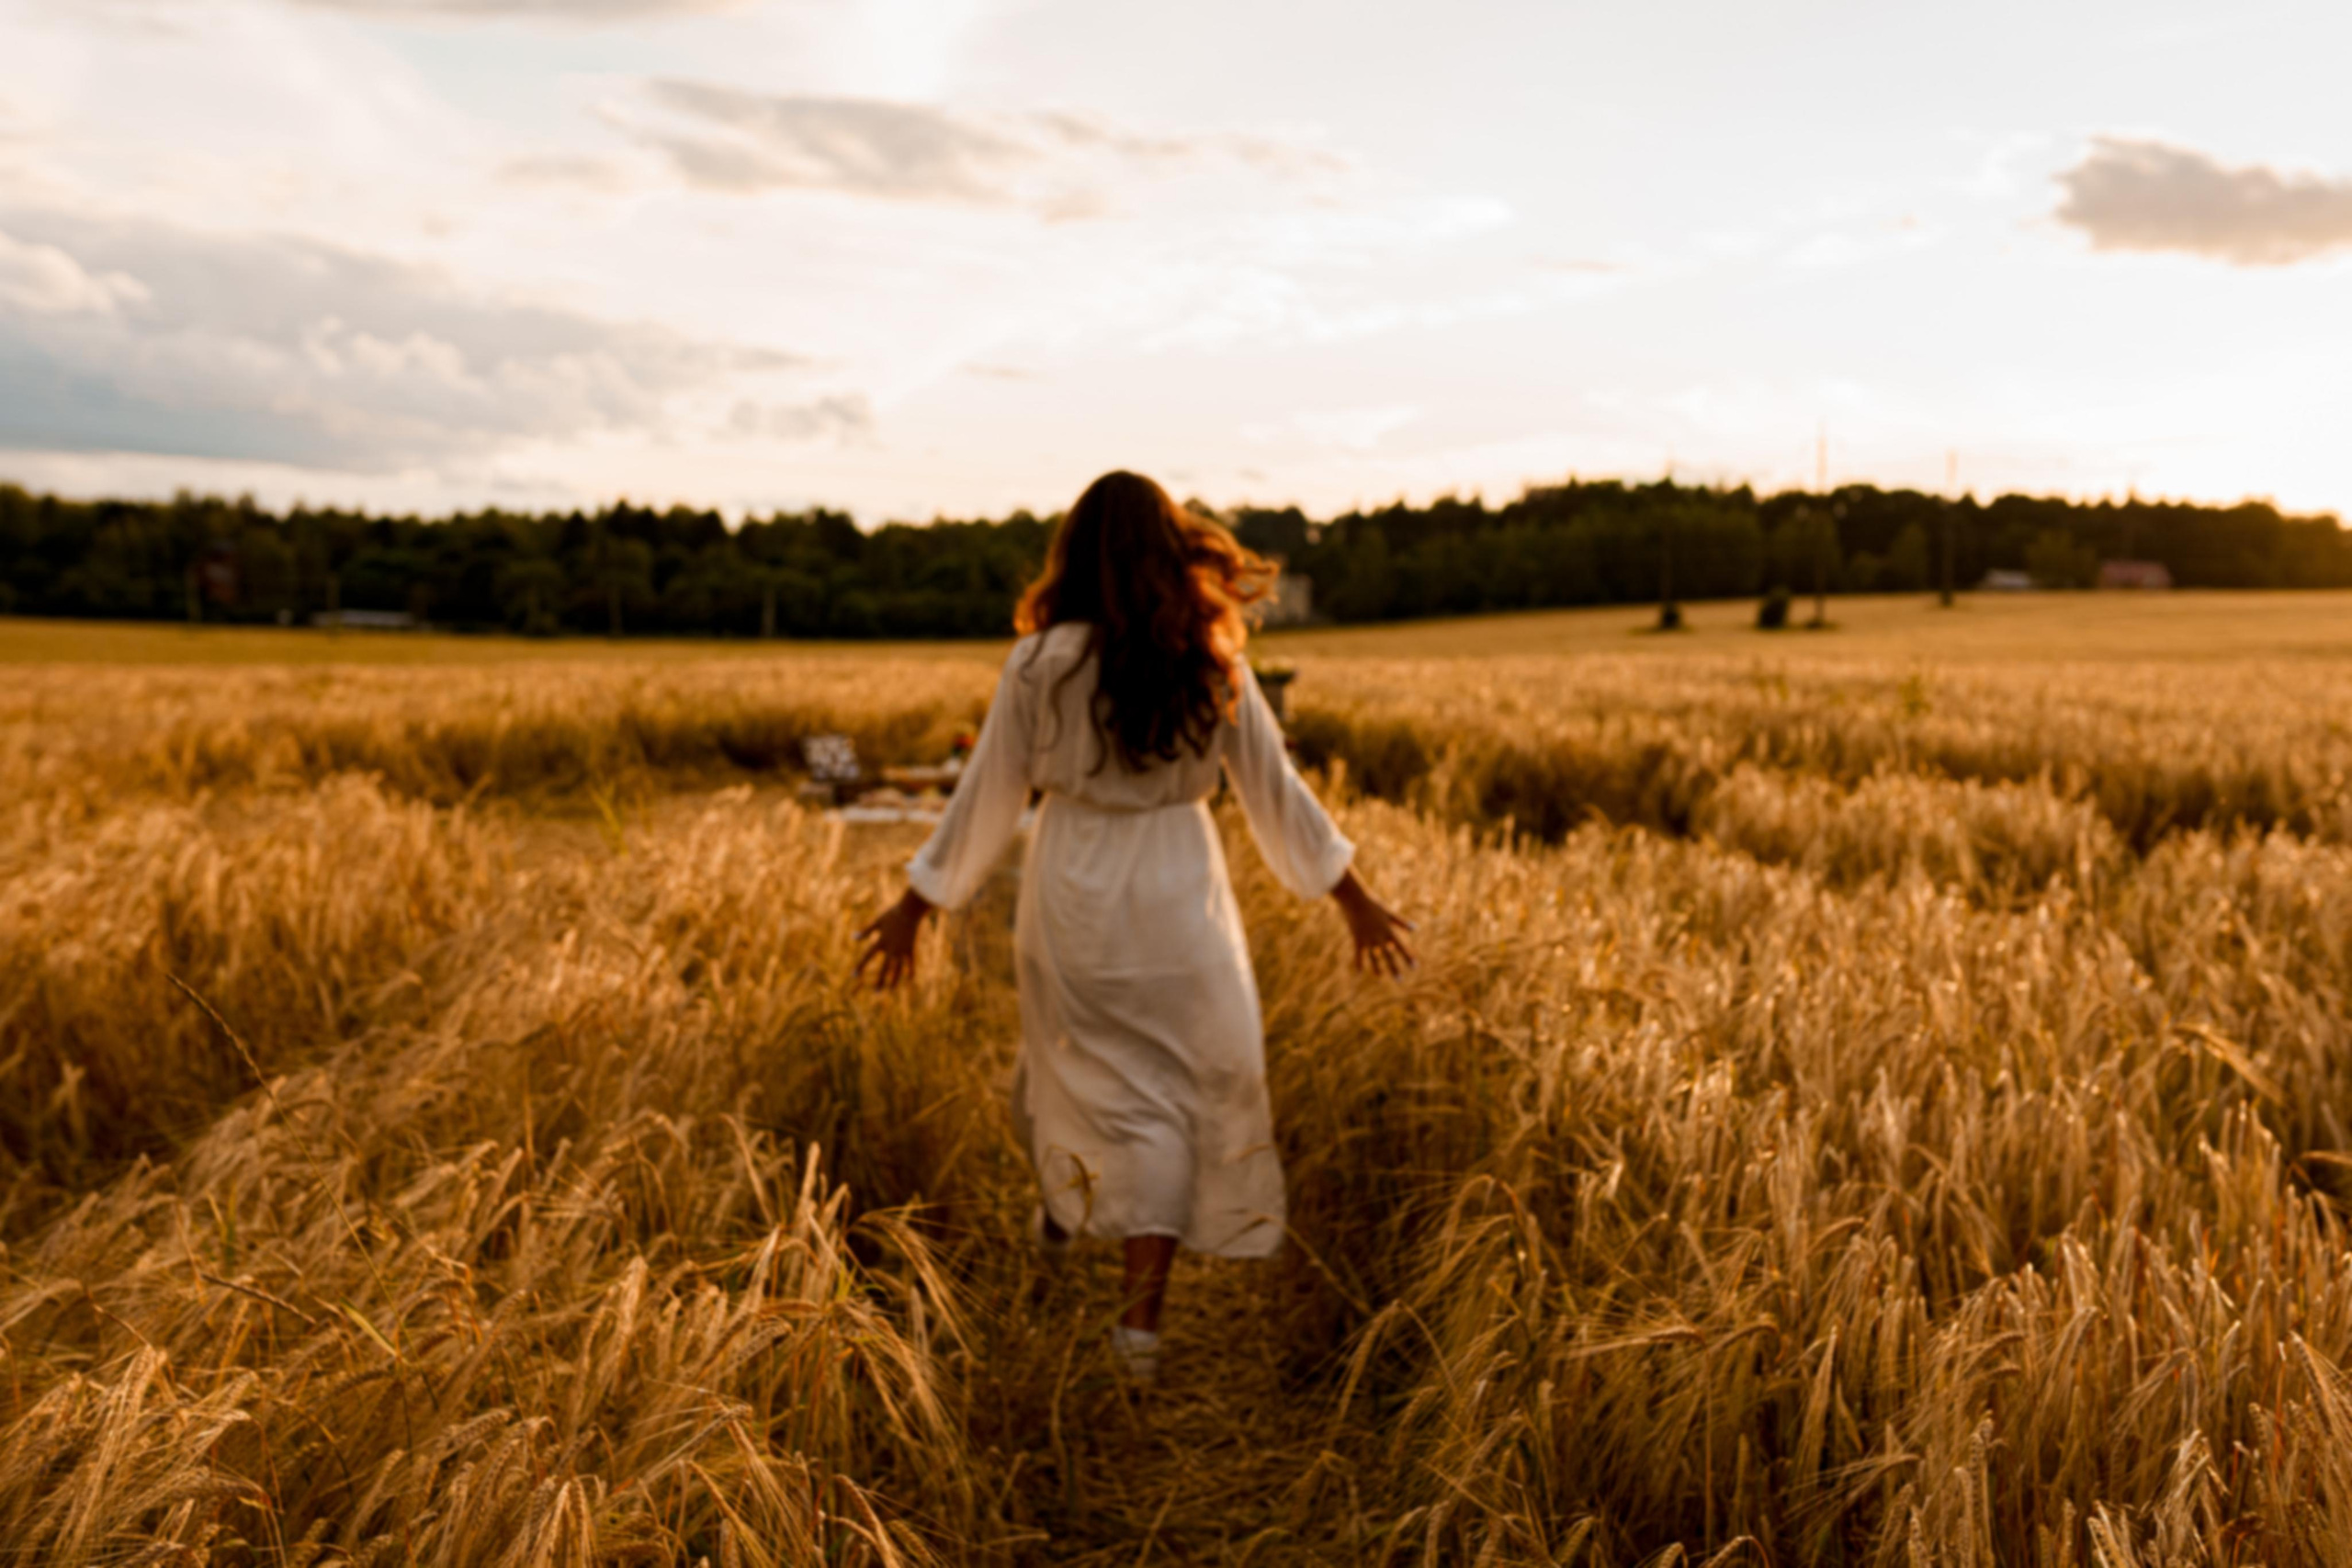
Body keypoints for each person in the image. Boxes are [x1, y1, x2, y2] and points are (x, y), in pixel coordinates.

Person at [854, 470, 1414, 1383]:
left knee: (1071, 1062)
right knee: (1164, 1098)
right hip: (1179, 890)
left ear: (1072, 555)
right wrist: (1354, 899)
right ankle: (1135, 1331)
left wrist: (915, 904)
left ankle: (1067, 1218)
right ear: (1170, 550)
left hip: (1072, 885)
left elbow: (987, 794)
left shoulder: (1039, 663)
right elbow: (1277, 793)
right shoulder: (1208, 657)